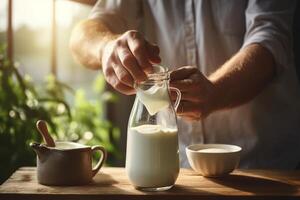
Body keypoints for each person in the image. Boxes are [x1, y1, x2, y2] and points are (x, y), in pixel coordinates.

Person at [70, 0, 300, 169]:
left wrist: (217, 92)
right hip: (179, 169)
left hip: (265, 164)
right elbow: (84, 34)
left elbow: (271, 36)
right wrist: (106, 47)